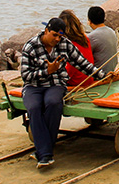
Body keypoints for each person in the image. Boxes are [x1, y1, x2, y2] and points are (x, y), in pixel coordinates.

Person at [19, 17, 105, 168]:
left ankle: (43, 154)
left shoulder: (65, 44)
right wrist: (46, 71)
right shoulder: (30, 46)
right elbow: (26, 75)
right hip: (34, 86)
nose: (57, 39)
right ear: (46, 31)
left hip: (56, 84)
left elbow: (81, 62)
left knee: (53, 103)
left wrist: (101, 75)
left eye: (60, 36)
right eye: (54, 35)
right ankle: (45, 153)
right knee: (34, 107)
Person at [59, 9, 96, 87]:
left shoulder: (69, 45)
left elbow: (70, 70)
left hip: (77, 81)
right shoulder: (85, 39)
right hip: (89, 78)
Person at [87, 6, 118, 72]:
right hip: (111, 69)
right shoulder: (111, 31)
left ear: (90, 21)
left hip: (99, 73)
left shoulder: (92, 36)